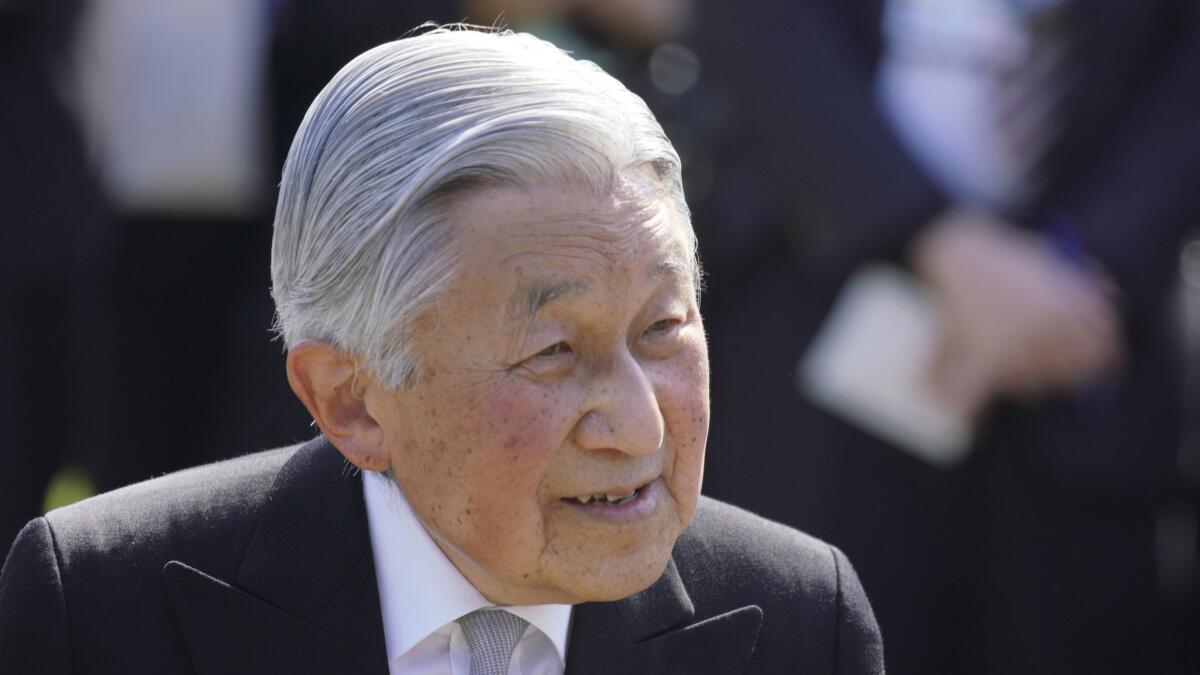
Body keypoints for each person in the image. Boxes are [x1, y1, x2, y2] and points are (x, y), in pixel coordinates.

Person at [0, 27, 884, 674]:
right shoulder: (106, 605)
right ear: (349, 398)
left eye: (663, 330)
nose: (639, 421)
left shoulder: (801, 620)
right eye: (552, 352)